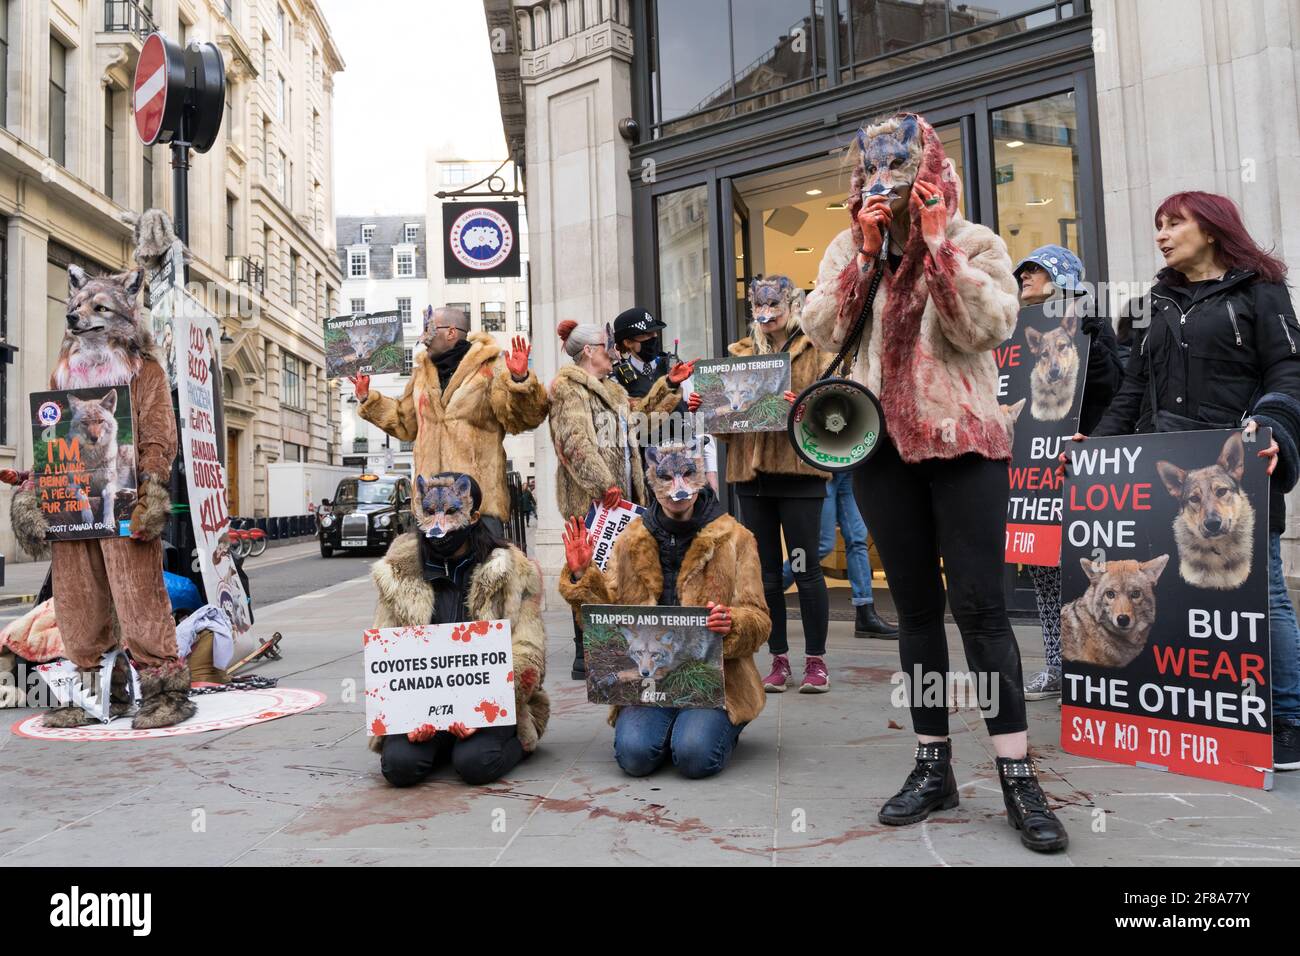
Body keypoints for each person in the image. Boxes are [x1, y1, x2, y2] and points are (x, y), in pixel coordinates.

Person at [801, 111, 1068, 851]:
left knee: (981, 611)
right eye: (872, 171)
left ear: (929, 169)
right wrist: (863, 256)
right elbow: (822, 328)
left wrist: (937, 245)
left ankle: (1017, 774)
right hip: (877, 448)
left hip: (965, 444)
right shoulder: (843, 247)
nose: (885, 181)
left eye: (900, 167)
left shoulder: (975, 239)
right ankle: (932, 765)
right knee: (917, 612)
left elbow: (985, 329)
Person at [1078, 190, 1300, 771]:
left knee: (1265, 597)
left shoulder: (1260, 292)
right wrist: (1095, 446)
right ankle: (1199, 718)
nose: (1162, 235)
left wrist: (1273, 426)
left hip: (1238, 473)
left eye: (1174, 223)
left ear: (1212, 227)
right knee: (1180, 598)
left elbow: (1288, 369)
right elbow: (1131, 388)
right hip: (1169, 478)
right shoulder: (1155, 301)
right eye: (1158, 226)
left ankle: (1289, 722)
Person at [558, 442, 770, 779]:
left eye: (686, 474)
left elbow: (758, 617)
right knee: (635, 757)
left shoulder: (736, 538)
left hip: (717, 681)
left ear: (700, 477)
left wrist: (733, 623)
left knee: (694, 757)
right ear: (652, 482)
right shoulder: (629, 540)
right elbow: (608, 615)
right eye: (666, 478)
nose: (677, 487)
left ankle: (712, 727)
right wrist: (584, 576)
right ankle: (675, 724)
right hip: (648, 679)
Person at [688, 276, 835, 693]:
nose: (766, 314)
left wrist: (806, 405)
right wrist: (707, 408)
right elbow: (726, 428)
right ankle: (779, 659)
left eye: (775, 306)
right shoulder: (739, 355)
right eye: (759, 306)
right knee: (766, 576)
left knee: (807, 571)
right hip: (751, 481)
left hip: (801, 476)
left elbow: (835, 411)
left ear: (792, 306)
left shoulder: (816, 349)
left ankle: (816, 661)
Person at [369, 472, 550, 787]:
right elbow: (387, 649)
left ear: (473, 515)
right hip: (423, 701)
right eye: (429, 512)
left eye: (451, 512)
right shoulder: (399, 570)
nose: (439, 522)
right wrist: (410, 714)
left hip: (493, 701)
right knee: (398, 767)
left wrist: (479, 707)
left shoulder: (512, 568)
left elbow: (529, 653)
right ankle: (439, 744)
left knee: (475, 764)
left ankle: (517, 743)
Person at [547, 319, 693, 678]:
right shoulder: (568, 389)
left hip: (621, 499)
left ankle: (617, 646)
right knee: (586, 569)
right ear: (591, 352)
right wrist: (602, 483)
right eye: (608, 347)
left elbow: (641, 420)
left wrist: (668, 385)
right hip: (591, 500)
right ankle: (586, 650)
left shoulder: (610, 390)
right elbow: (573, 441)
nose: (615, 353)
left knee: (619, 572)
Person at [1013, 245, 1123, 699]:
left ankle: (1092, 670)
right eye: (1023, 273)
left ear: (1060, 280)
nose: (1025, 278)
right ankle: (1057, 665)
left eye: (1035, 272)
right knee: (1042, 572)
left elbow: (1112, 386)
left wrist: (1088, 337)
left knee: (1088, 572)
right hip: (1031, 470)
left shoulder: (1092, 324)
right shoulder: (1014, 332)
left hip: (1080, 466)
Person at [349, 306, 547, 538]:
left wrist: (520, 380)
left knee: (482, 572)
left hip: (477, 503)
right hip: (431, 506)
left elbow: (523, 420)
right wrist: (366, 398)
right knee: (432, 573)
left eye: (429, 329)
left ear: (451, 332)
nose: (423, 338)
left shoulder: (491, 369)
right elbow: (405, 423)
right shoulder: (422, 373)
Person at [780, 471, 898, 638]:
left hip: (848, 468)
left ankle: (865, 614)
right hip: (823, 469)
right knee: (823, 544)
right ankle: (769, 590)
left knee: (857, 539)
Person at [611, 307, 675, 399]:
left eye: (655, 332)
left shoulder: (673, 365)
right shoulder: (616, 377)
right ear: (628, 342)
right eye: (647, 334)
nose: (654, 337)